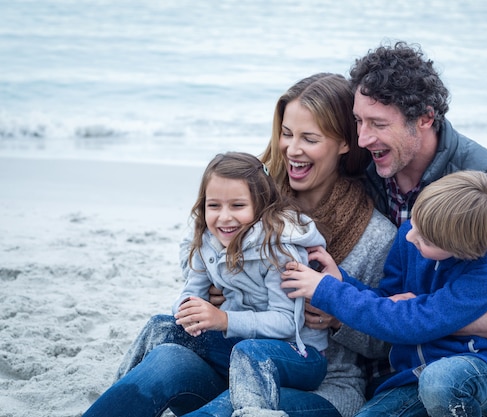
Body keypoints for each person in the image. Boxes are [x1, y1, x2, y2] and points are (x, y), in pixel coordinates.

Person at [84, 73, 397, 417]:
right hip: (231, 360)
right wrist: (219, 288)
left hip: (321, 384)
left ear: (344, 143)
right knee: (166, 360)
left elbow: (386, 345)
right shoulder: (251, 195)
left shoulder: (375, 234)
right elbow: (197, 249)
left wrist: (340, 314)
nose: (292, 149)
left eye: (309, 138)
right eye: (287, 134)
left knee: (223, 409)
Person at [350, 41, 487, 346]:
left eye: (378, 124)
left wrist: (429, 319)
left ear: (425, 118)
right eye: (358, 121)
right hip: (373, 350)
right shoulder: (362, 168)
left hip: (458, 364)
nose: (363, 138)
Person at [84, 151, 329, 417]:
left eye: (237, 206)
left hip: (297, 355)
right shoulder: (207, 242)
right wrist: (190, 310)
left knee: (249, 351)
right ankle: (120, 396)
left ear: (260, 206)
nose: (224, 217)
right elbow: (190, 292)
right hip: (236, 347)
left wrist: (223, 319)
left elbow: (287, 323)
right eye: (214, 206)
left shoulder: (278, 249)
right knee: (162, 325)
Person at [281, 170, 487, 417]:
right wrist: (341, 280)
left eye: (425, 240)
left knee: (440, 382)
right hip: (413, 374)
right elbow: (389, 303)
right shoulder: (414, 232)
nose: (410, 236)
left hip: (476, 367)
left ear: (464, 252)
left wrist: (327, 291)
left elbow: (416, 321)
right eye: (415, 223)